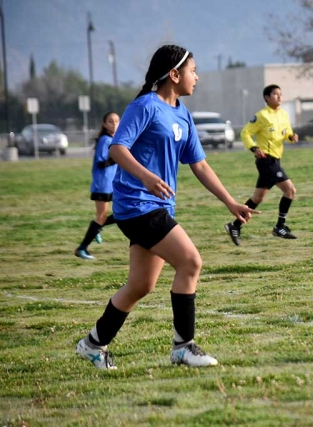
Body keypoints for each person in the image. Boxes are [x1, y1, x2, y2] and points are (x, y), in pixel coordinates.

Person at [75, 45, 258, 369]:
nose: (196, 77)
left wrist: (230, 202)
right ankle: (182, 347)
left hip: (158, 207)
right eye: (192, 71)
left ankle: (93, 344)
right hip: (137, 205)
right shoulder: (145, 106)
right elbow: (118, 149)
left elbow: (199, 165)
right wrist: (146, 177)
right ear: (174, 75)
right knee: (190, 262)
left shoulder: (182, 114)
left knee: (141, 285)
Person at [224, 84, 299, 245]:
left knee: (257, 197)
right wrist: (254, 148)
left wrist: (291, 137)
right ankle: (279, 226)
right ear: (267, 97)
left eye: (281, 94)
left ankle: (234, 225)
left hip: (276, 160)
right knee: (290, 190)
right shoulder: (262, 116)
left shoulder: (284, 115)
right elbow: (245, 133)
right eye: (275, 94)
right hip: (267, 161)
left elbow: (286, 133)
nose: (279, 97)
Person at [75, 112, 121, 260]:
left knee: (123, 212)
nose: (114, 124)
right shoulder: (105, 140)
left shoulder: (115, 139)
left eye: (116, 121)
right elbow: (102, 163)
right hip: (102, 185)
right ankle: (82, 248)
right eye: (110, 121)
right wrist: (120, 157)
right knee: (102, 216)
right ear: (104, 124)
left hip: (113, 185)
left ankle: (96, 227)